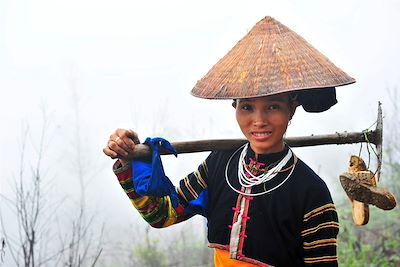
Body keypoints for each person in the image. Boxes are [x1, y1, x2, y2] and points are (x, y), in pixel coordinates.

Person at [103, 16, 356, 266]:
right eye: (247, 107)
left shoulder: (311, 191)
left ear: (291, 110)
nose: (259, 121)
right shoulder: (219, 164)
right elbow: (163, 214)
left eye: (273, 107)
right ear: (234, 107)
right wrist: (129, 160)